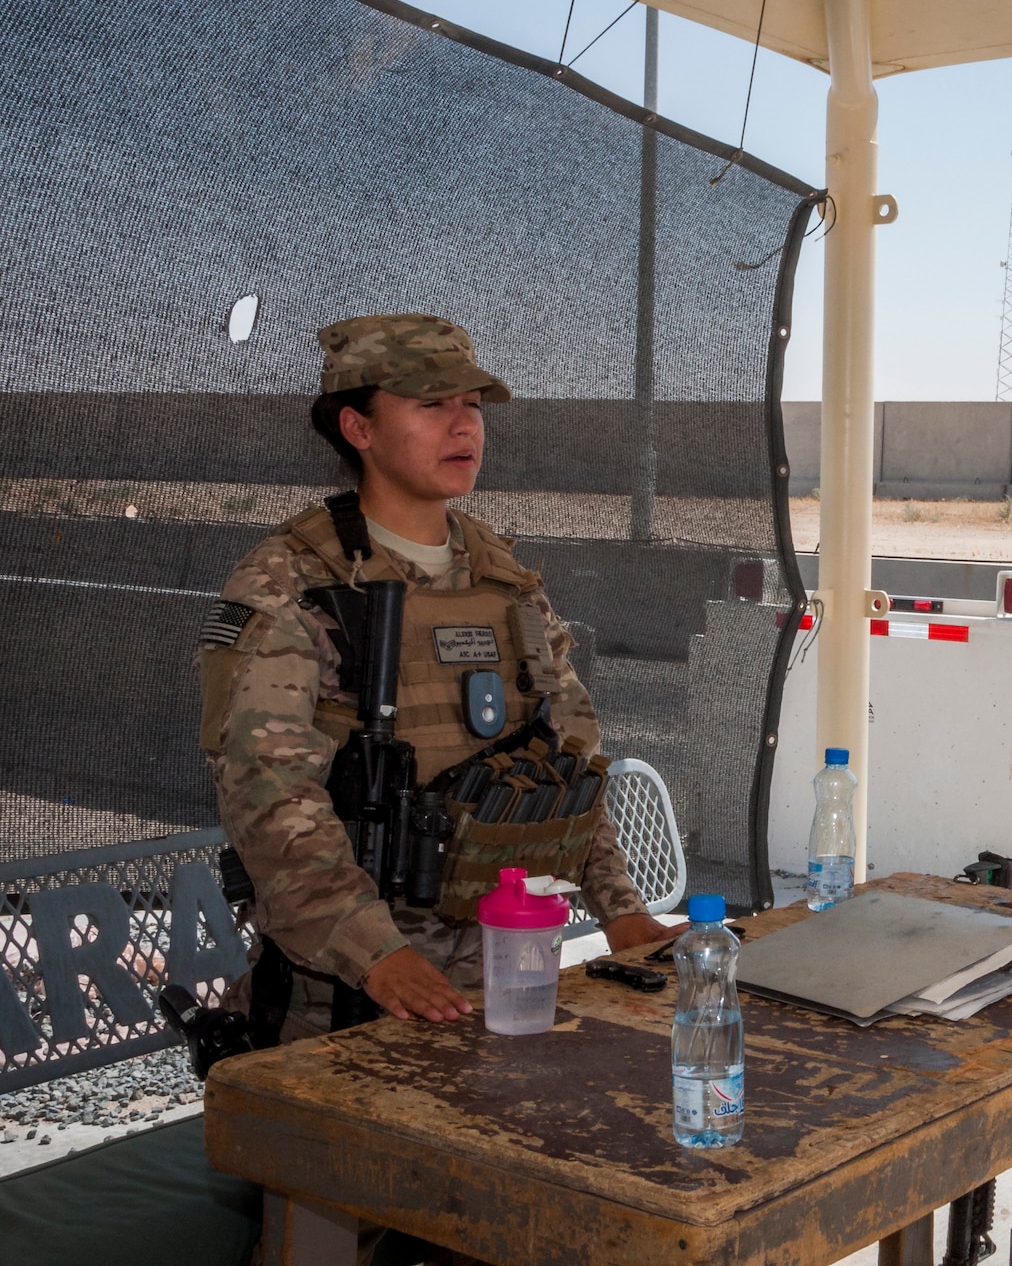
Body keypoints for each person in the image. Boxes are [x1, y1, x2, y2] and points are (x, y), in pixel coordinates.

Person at [201, 314, 670, 1039]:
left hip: (505, 972)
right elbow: (267, 795)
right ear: (358, 428)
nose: (464, 427)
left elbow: (565, 768)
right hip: (350, 997)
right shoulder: (295, 580)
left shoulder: (505, 580)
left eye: (473, 406)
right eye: (432, 404)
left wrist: (621, 909)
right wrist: (375, 952)